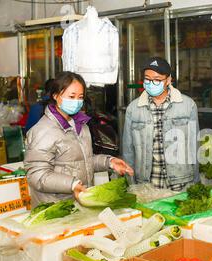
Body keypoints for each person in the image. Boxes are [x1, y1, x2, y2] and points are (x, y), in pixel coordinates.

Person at [24, 71, 133, 207]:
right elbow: (37, 175)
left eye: (80, 97)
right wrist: (72, 184)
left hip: (78, 203)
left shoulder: (80, 125)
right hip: (55, 207)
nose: (76, 102)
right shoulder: (43, 131)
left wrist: (109, 162)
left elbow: (82, 161)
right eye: (71, 96)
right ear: (56, 96)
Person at [122, 57, 199, 191]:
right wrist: (131, 185)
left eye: (157, 80)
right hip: (147, 184)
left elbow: (194, 147)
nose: (151, 83)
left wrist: (196, 183)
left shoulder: (187, 105)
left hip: (180, 183)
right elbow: (128, 151)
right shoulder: (133, 109)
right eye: (147, 79)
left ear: (168, 80)